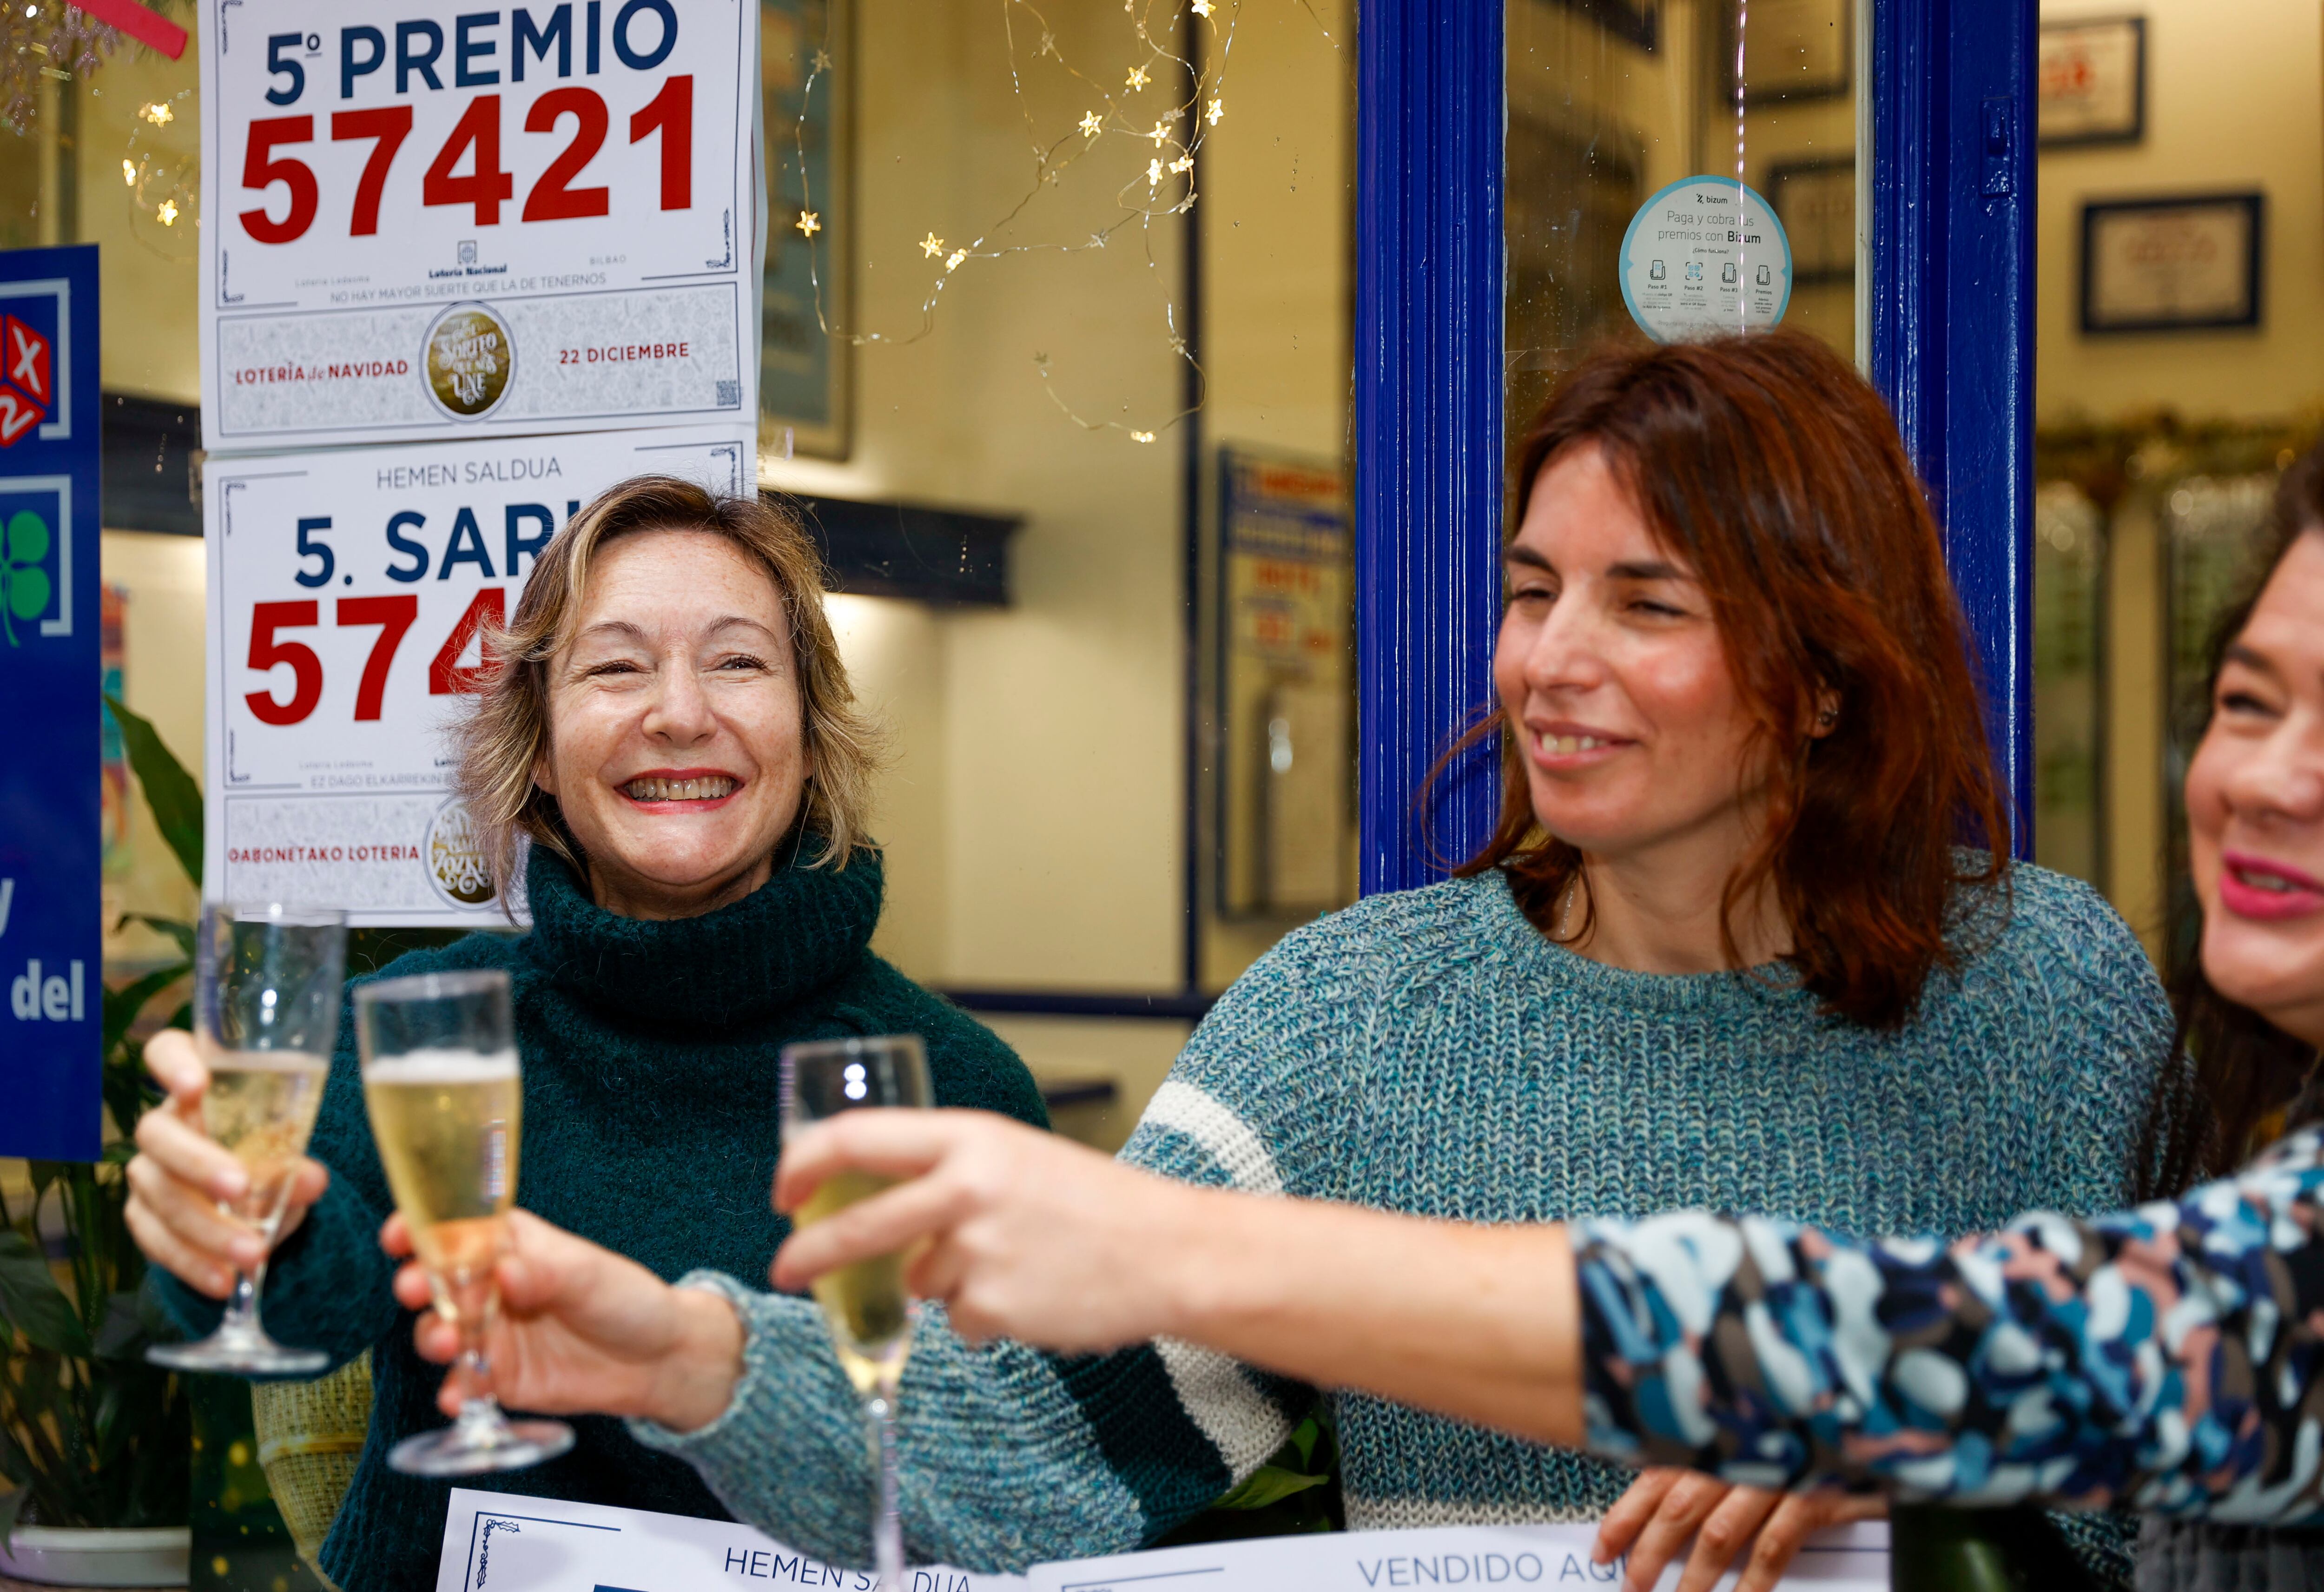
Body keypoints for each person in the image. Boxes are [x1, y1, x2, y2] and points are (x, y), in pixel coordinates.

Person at [380, 333, 2172, 1590]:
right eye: (1535, 586)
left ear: (1829, 670)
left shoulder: (2044, 1000)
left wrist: (1908, 1427)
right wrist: (686, 1352)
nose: (1551, 657)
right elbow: (1033, 1467)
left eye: (1650, 602)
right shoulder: (1353, 1025)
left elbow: (2190, 1497)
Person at [122, 478, 1052, 1592]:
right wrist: (225, 1224)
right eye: (615, 665)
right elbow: (309, 1295)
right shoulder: (434, 1034)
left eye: (738, 662)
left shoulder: (951, 1082)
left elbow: (1023, 1480)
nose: (678, 713)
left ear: (810, 735)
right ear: (543, 756)